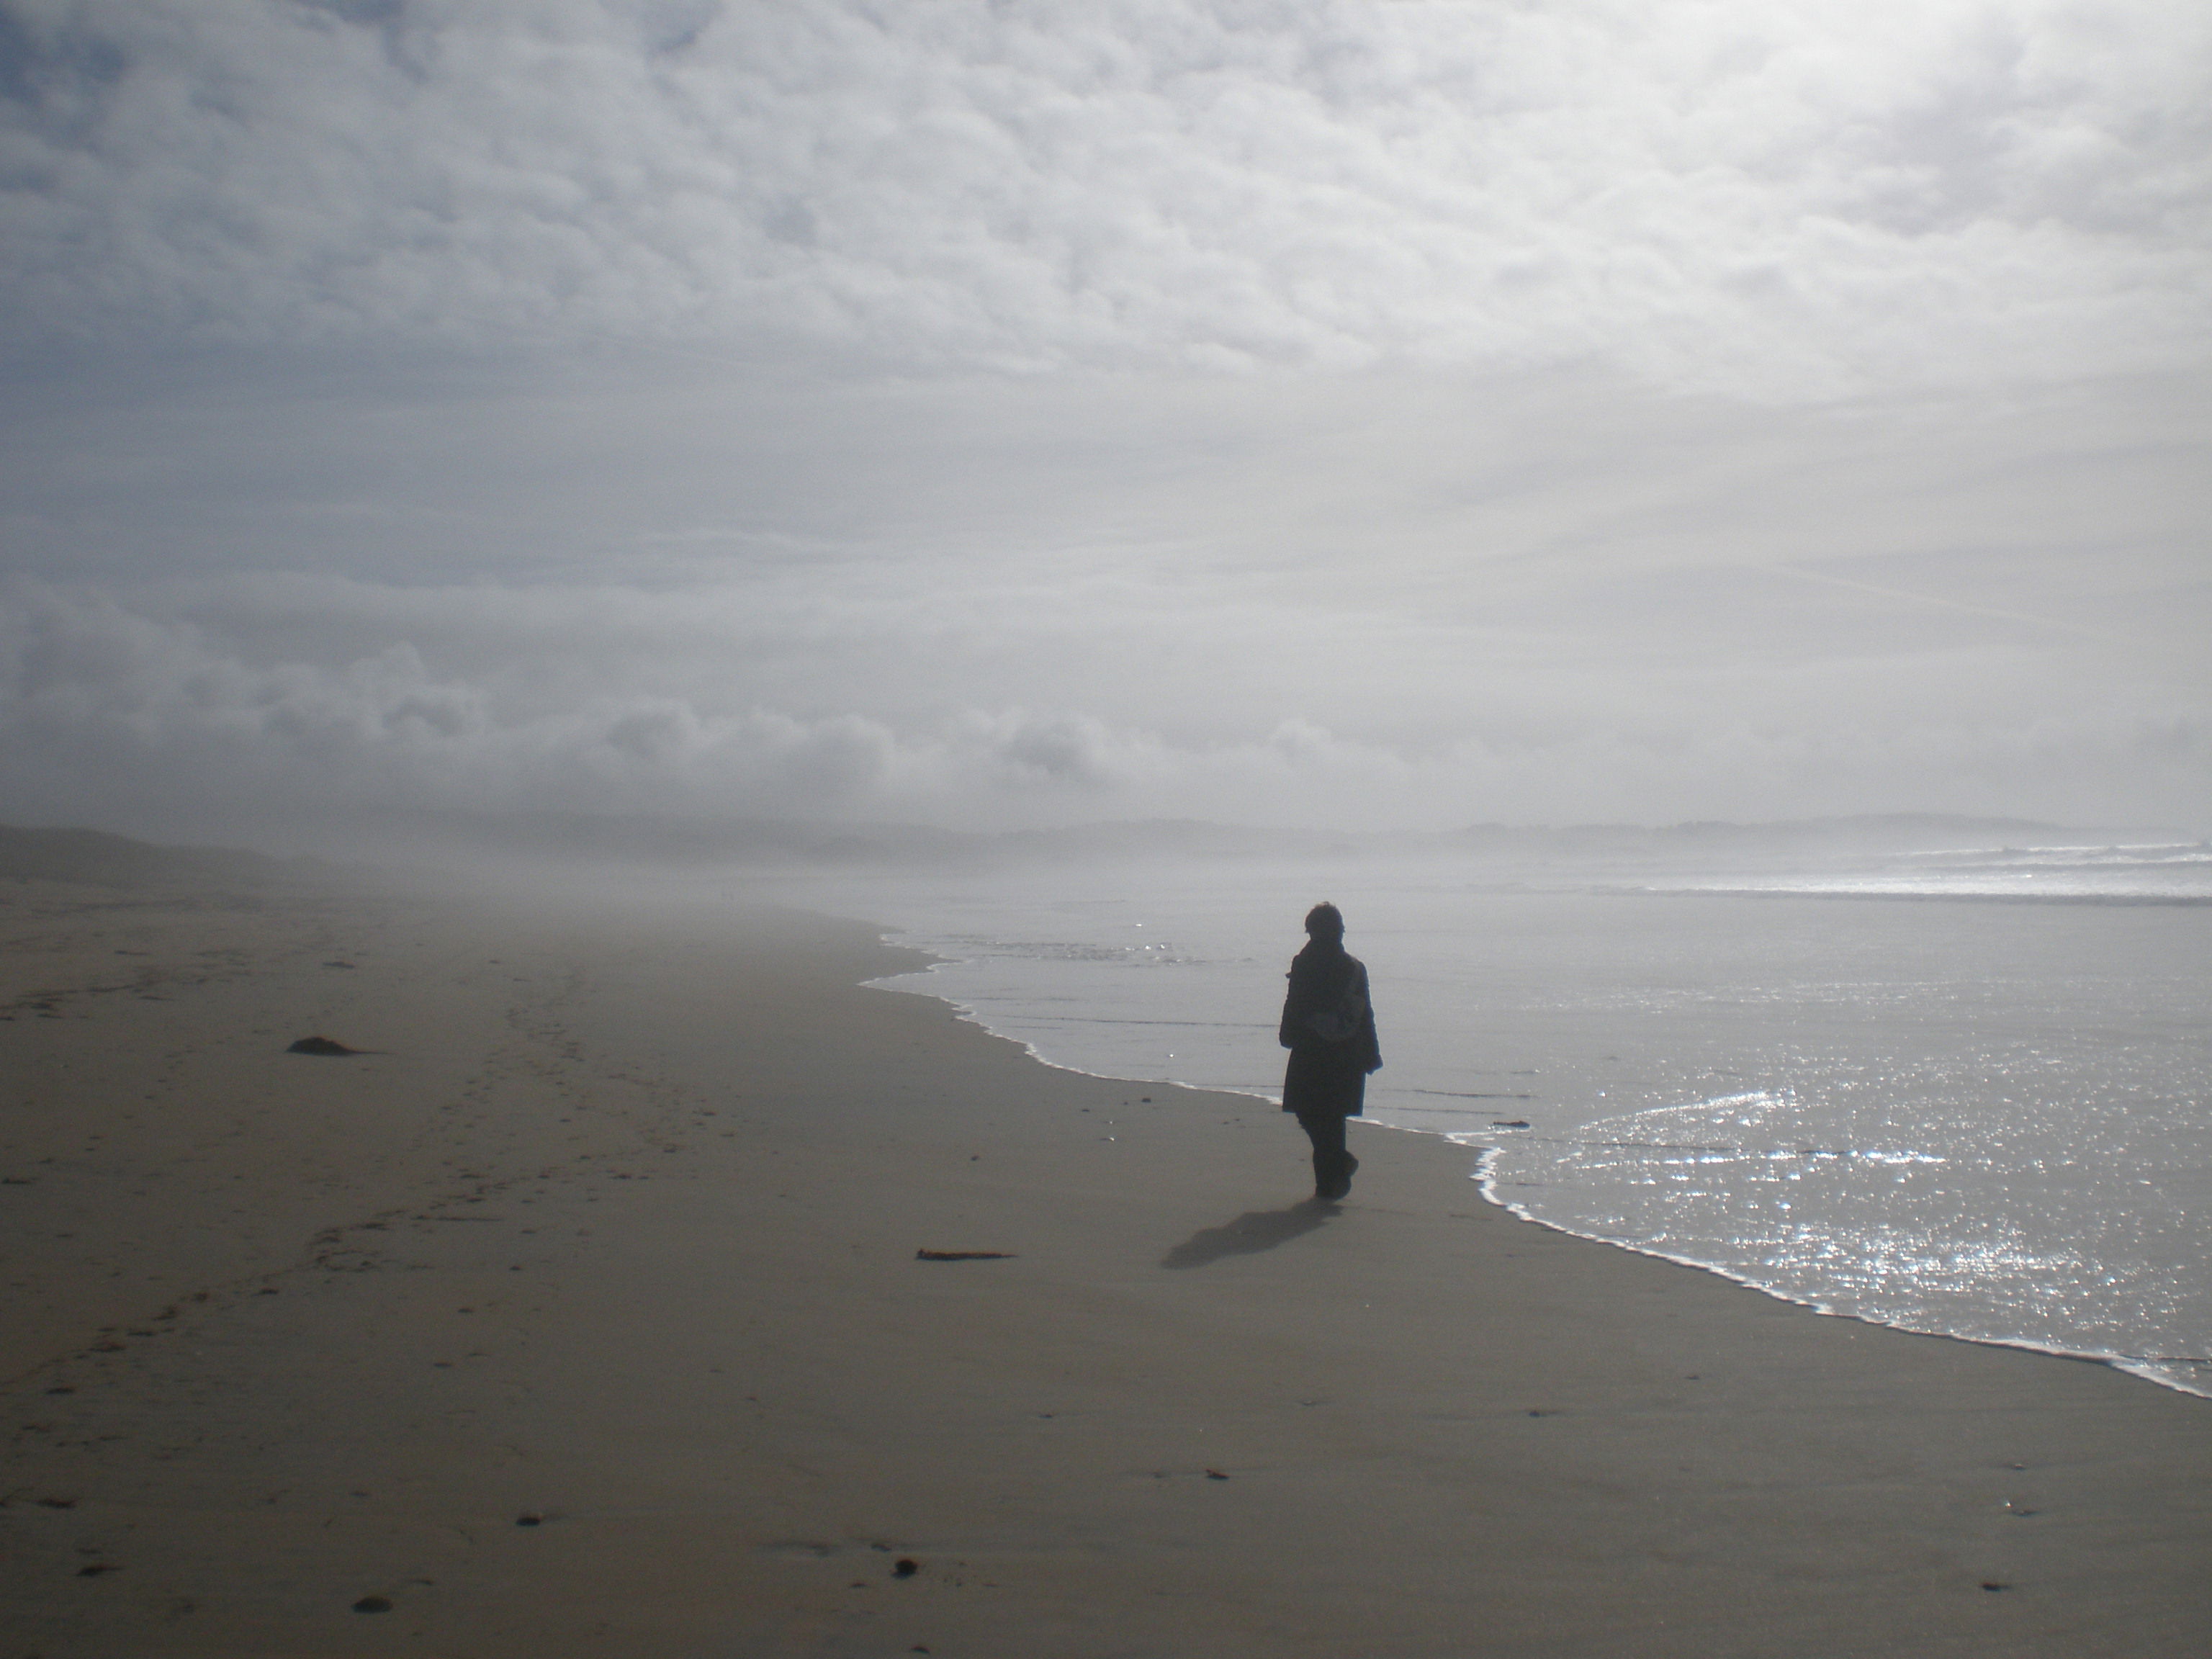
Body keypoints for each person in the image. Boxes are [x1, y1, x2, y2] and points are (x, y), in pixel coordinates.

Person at [1278, 902, 1382, 1200]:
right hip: (1344, 1051)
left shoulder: (1307, 963)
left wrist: (1287, 1034)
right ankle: (1334, 1172)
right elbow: (1365, 1015)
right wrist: (1371, 1053)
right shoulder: (1352, 967)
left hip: (1313, 1048)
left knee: (1314, 1115)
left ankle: (1330, 1182)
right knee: (1328, 1117)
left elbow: (1294, 1004)